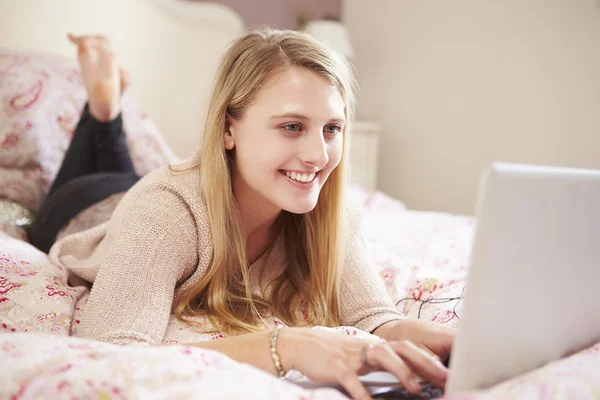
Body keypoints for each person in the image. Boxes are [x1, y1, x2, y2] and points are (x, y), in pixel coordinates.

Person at [28, 30, 453, 399]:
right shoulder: (165, 210)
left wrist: (450, 343)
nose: (318, 156)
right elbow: (111, 356)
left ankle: (108, 112)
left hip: (146, 190)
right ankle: (104, 107)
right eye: (291, 126)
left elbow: (372, 317)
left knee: (125, 165)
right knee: (103, 168)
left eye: (332, 128)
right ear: (228, 128)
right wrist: (285, 347)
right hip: (84, 206)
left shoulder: (332, 211)